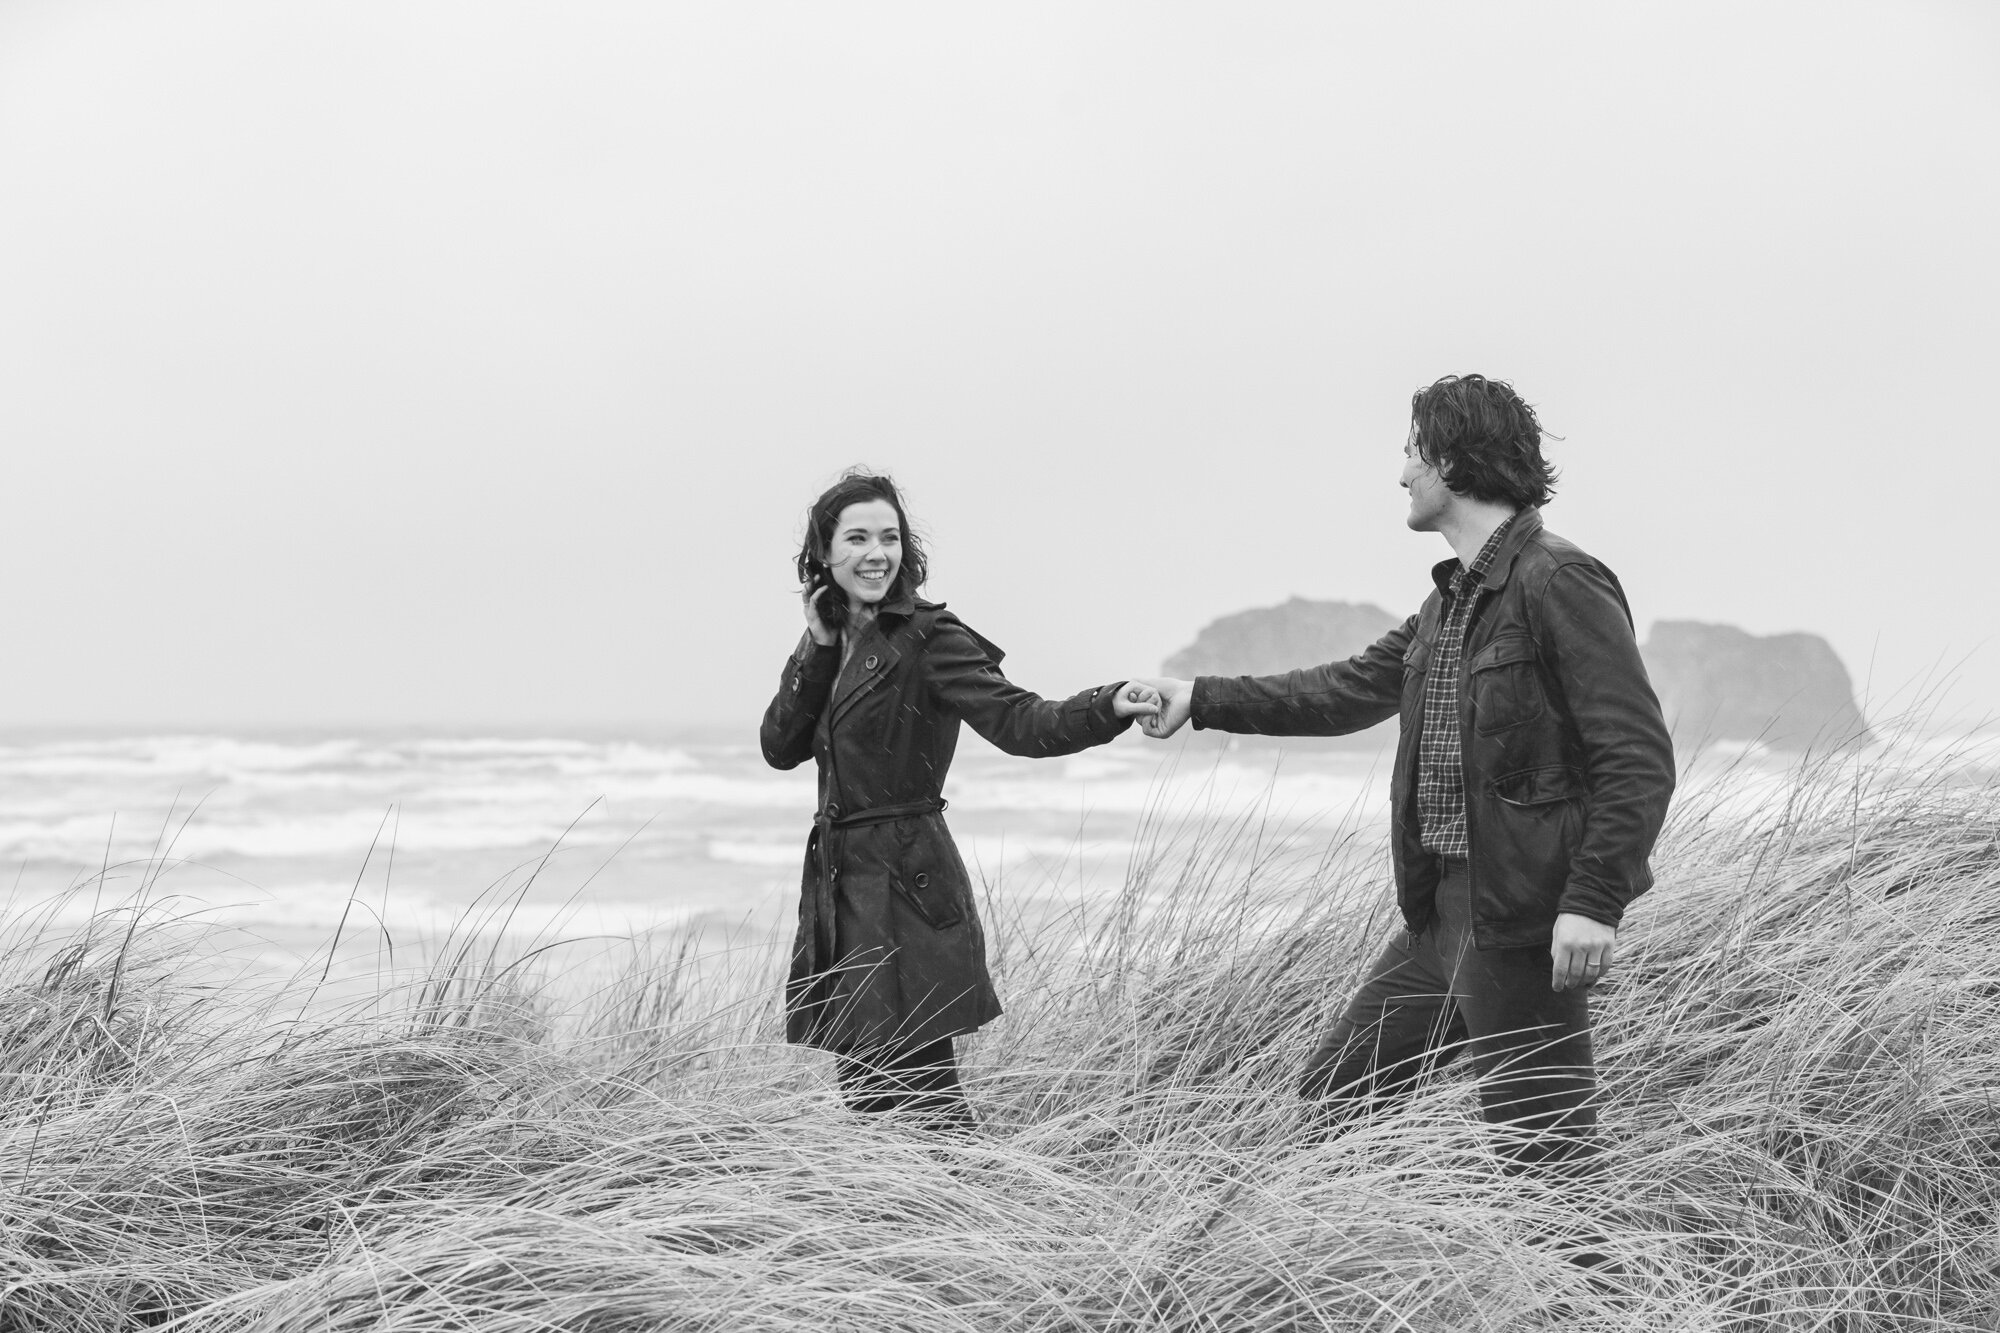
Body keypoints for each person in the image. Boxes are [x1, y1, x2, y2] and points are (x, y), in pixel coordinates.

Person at [1139, 374, 1674, 1175]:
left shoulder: (1558, 581)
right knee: (1336, 1097)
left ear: (1454, 461)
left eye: (1412, 453)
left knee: (1550, 1172)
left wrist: (1592, 902)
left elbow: (1637, 755)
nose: (1400, 474)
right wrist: (1199, 698)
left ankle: (1596, 1302)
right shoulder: (1452, 603)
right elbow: (1342, 689)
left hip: (1520, 919)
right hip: (1443, 916)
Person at [761, 469, 1159, 1131]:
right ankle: (923, 1224)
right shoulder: (833, 642)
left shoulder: (928, 636)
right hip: (843, 891)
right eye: (856, 537)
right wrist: (818, 644)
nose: (876, 552)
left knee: (924, 1101)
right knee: (869, 1099)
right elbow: (780, 744)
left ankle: (985, 1219)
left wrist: (1107, 703)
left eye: (888, 536)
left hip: (905, 889)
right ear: (823, 555)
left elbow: (1023, 722)